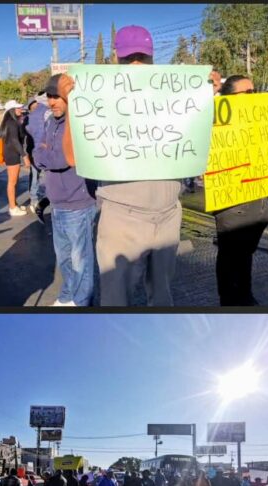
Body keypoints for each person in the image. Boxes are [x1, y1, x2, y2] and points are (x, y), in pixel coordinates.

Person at [59, 25, 184, 306]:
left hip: (168, 214)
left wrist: (207, 97)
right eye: (129, 58)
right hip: (121, 217)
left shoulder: (172, 94)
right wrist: (71, 105)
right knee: (116, 302)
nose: (136, 64)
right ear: (115, 58)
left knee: (164, 299)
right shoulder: (97, 96)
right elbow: (72, 157)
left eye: (143, 57)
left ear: (153, 59)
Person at [32, 74, 99, 306]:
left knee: (81, 261)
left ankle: (82, 302)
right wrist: (45, 154)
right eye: (50, 97)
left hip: (79, 205)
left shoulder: (80, 124)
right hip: (57, 204)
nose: (52, 102)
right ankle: (68, 296)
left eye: (57, 97)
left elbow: (64, 158)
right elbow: (36, 153)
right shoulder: (50, 122)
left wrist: (47, 155)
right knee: (64, 259)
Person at [209, 76, 268, 305]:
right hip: (232, 203)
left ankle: (245, 294)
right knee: (230, 255)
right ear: (229, 98)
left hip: (258, 200)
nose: (252, 96)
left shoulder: (258, 120)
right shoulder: (215, 122)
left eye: (254, 91)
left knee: (245, 254)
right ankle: (229, 299)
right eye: (246, 92)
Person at [0, 100, 30, 217]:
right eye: (17, 108)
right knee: (12, 182)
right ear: (11, 110)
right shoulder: (11, 123)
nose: (20, 109)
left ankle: (14, 204)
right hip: (12, 154)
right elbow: (14, 141)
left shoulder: (11, 121)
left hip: (11, 152)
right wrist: (24, 155)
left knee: (15, 181)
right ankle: (12, 207)